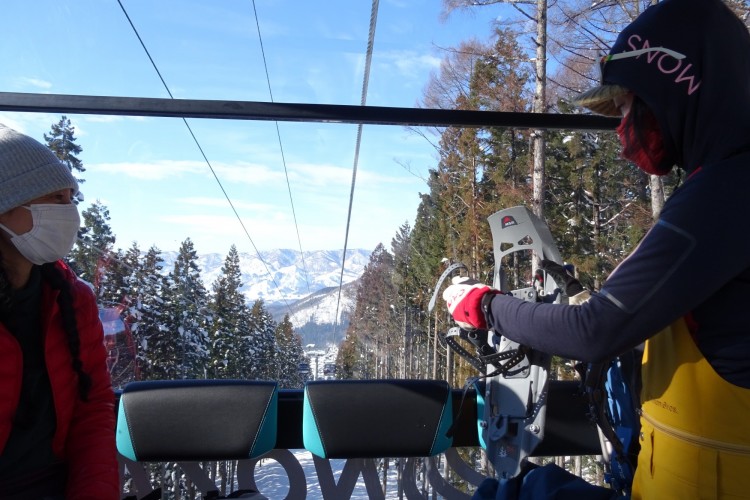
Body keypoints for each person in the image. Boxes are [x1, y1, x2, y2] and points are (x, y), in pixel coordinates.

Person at [442, 0, 750, 497]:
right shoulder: (721, 184)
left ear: (675, 87)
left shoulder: (726, 192)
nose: (622, 126)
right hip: (688, 474)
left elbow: (594, 330)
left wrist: (484, 306)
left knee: (516, 493)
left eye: (628, 105)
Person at [0, 124, 119, 499]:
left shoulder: (71, 298)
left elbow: (93, 407)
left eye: (72, 198)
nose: (69, 213)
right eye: (54, 197)